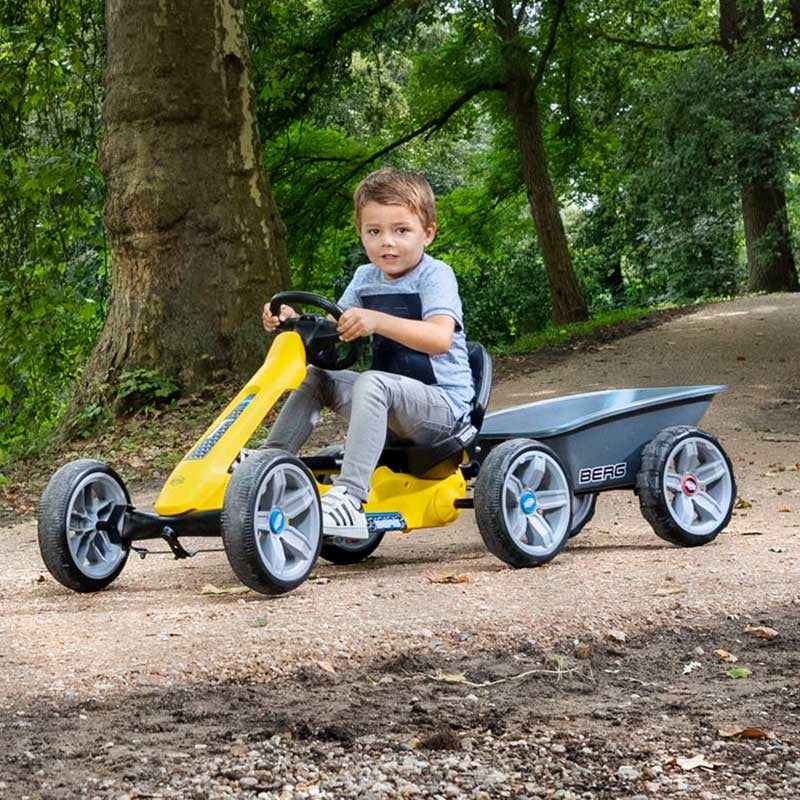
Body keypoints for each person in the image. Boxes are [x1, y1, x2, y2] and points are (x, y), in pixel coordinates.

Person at [261, 167, 474, 538]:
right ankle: (269, 464)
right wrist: (293, 320)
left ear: (428, 233)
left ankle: (349, 495)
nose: (386, 242)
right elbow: (335, 330)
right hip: (388, 402)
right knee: (318, 377)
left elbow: (440, 338)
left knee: (374, 383)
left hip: (442, 409)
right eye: (374, 232)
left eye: (401, 230)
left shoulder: (435, 275)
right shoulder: (365, 278)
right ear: (361, 234)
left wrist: (376, 320)